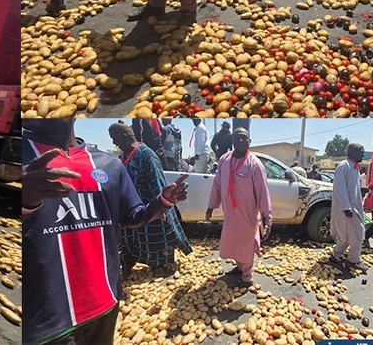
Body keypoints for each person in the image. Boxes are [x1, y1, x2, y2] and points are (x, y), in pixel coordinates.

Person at [22, 118, 189, 345]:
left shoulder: (108, 164)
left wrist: (163, 202)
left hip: (104, 304)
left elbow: (132, 215)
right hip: (47, 321)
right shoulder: (18, 157)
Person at [110, 123, 193, 279]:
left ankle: (162, 266)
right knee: (130, 238)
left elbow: (157, 180)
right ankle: (127, 264)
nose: (114, 143)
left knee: (155, 238)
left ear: (125, 137)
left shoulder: (147, 154)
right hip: (131, 208)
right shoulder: (121, 158)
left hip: (150, 205)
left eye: (115, 139)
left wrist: (162, 208)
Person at [206, 128, 272, 287]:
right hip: (230, 214)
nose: (241, 141)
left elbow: (263, 192)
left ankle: (247, 278)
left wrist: (267, 218)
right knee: (233, 242)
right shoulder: (224, 160)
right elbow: (217, 184)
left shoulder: (255, 164)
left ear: (249, 142)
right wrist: (211, 206)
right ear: (232, 141)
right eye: (237, 138)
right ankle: (240, 266)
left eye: (244, 138)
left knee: (246, 243)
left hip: (248, 214)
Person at [330, 143, 369, 271]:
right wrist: (346, 208)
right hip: (347, 209)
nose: (363, 154)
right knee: (358, 233)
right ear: (352, 152)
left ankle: (336, 256)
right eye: (361, 151)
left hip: (354, 207)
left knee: (346, 235)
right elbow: (340, 188)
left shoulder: (355, 168)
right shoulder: (344, 166)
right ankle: (353, 260)